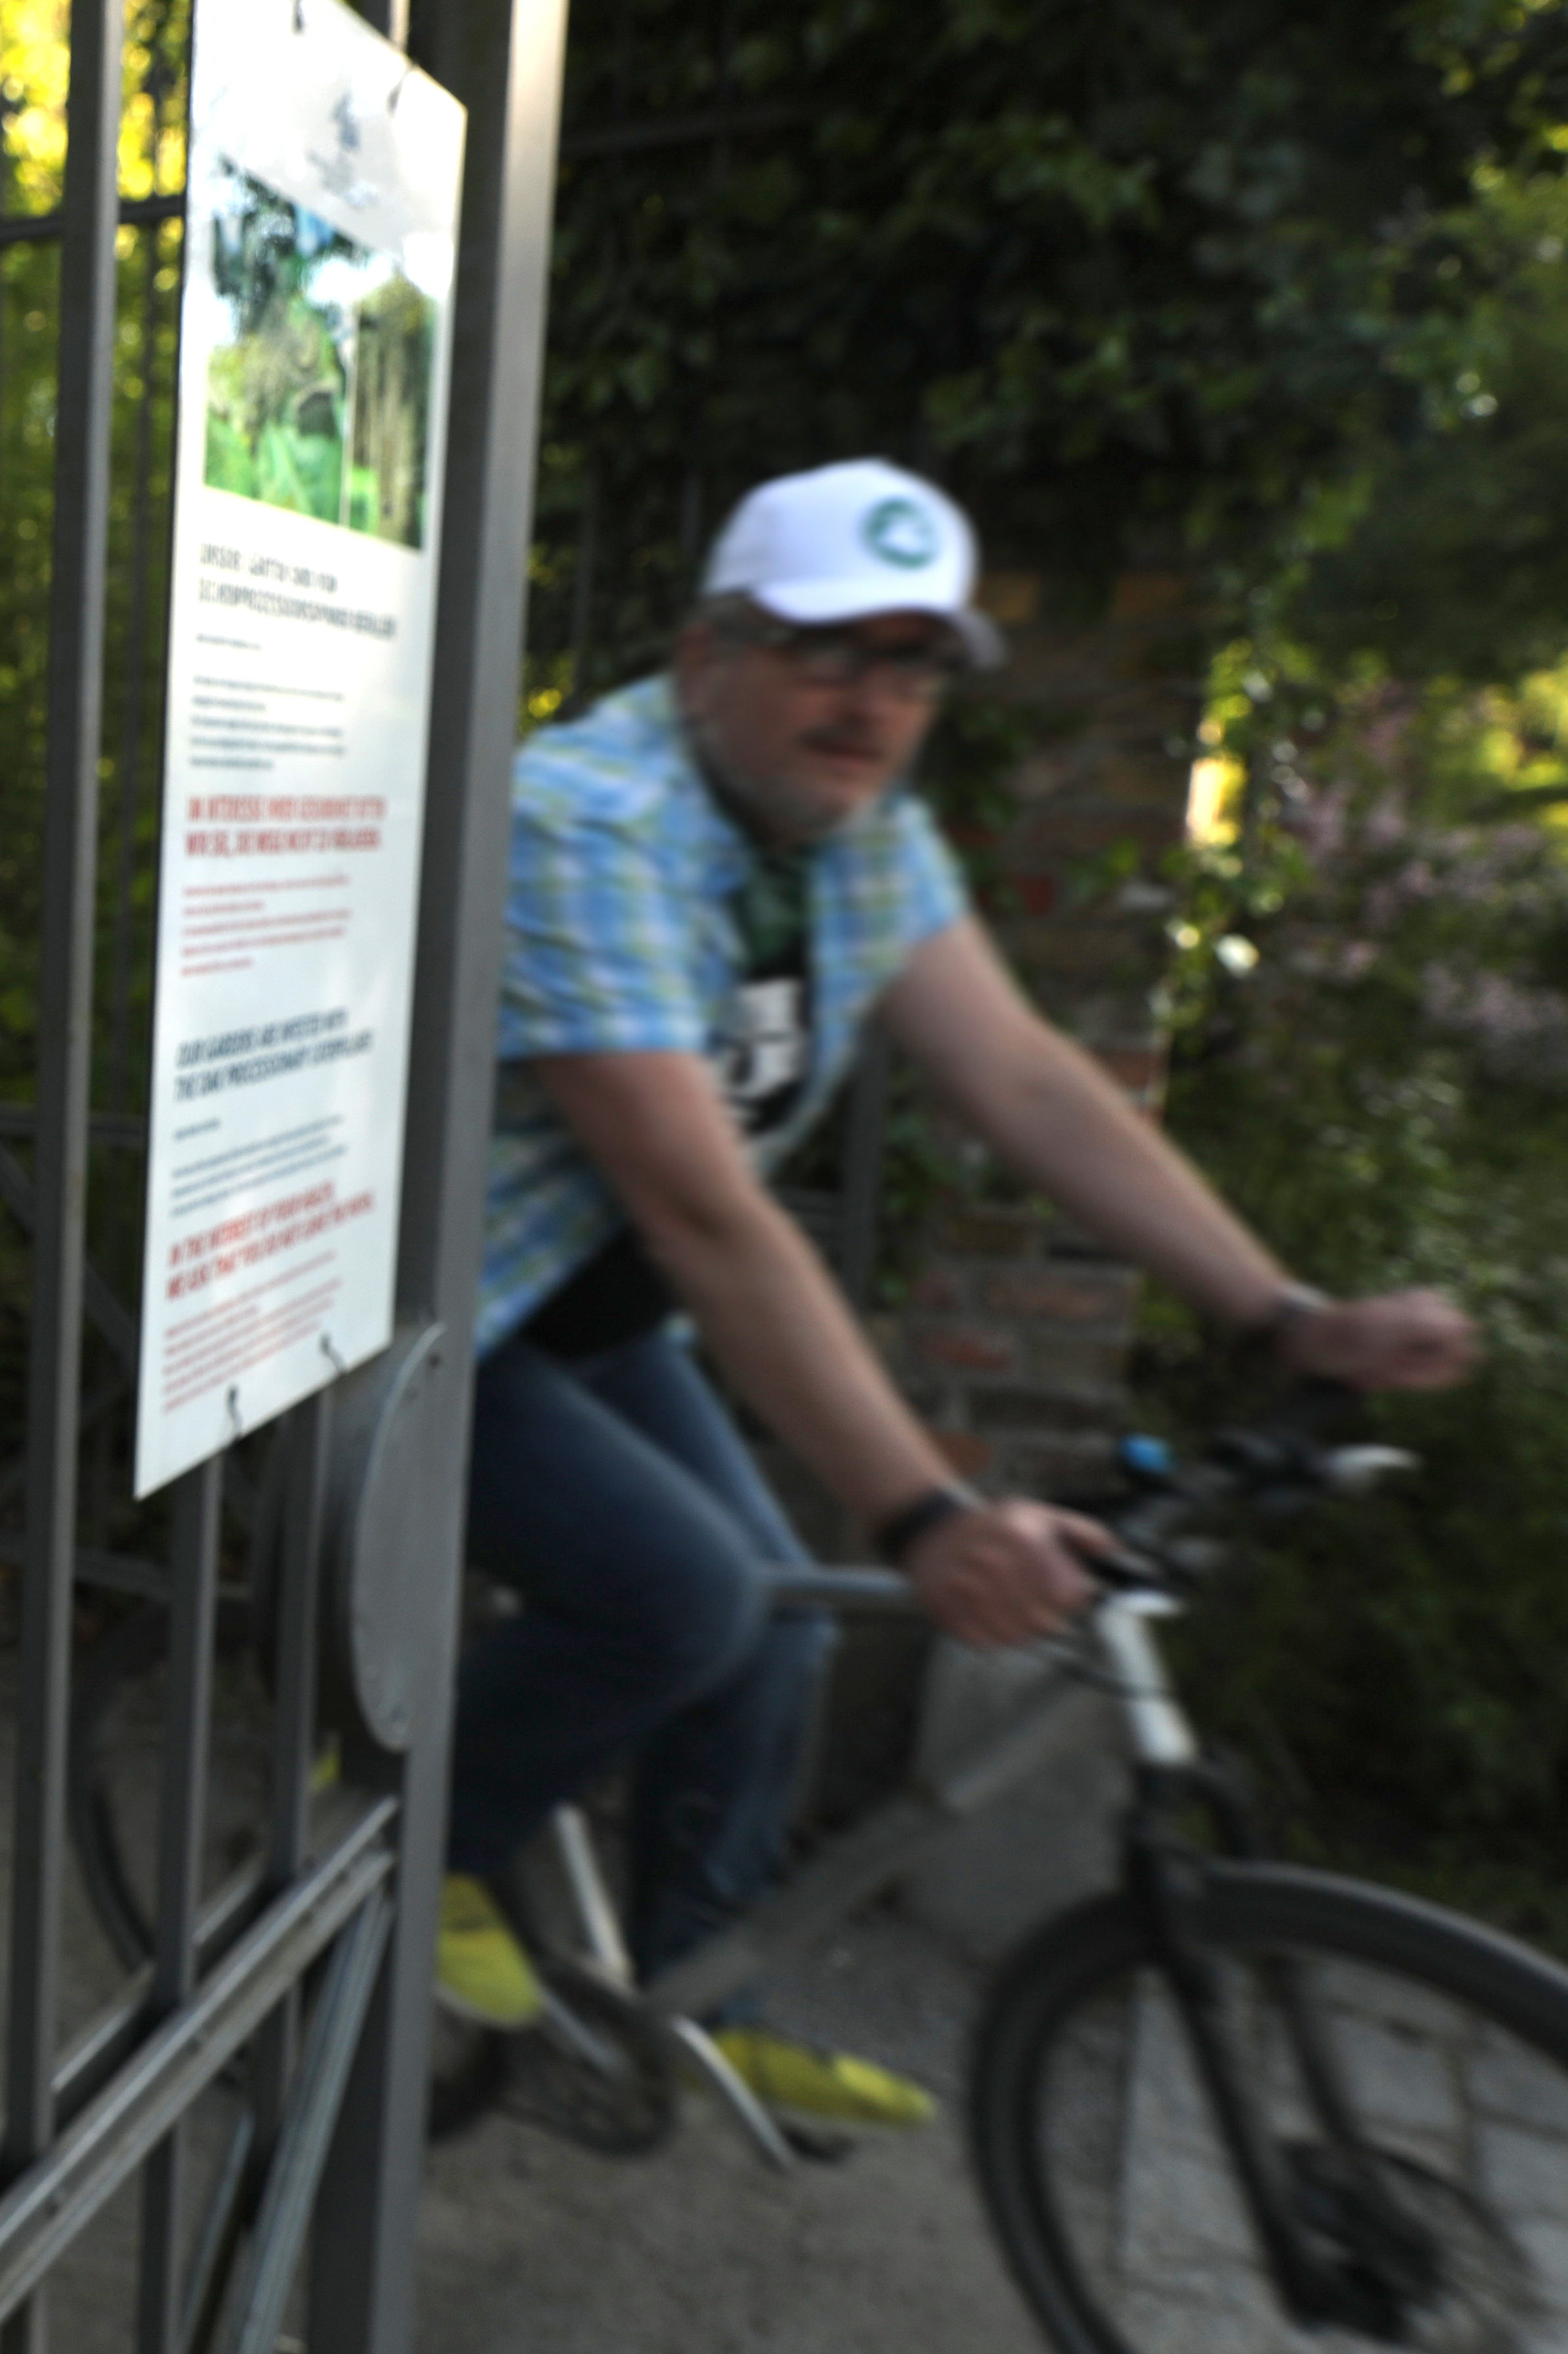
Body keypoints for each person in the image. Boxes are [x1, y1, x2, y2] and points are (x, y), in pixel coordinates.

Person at [435, 458, 1480, 2126]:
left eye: (913, 663)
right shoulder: (588, 817)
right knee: (685, 1595)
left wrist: (1284, 1316)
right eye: (828, 649)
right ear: (708, 653)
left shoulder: (854, 832)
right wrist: (928, 1514)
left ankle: (698, 1986)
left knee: (768, 1613)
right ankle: (409, 1842)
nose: (872, 701)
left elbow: (1029, 1081)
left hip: (589, 1302)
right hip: (433, 1309)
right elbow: (701, 1203)